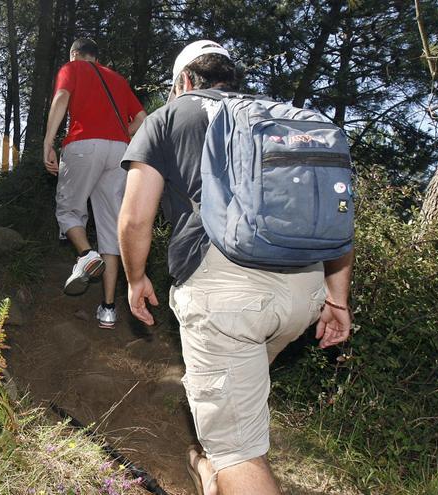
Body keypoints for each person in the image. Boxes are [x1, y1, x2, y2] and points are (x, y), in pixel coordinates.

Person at [117, 40, 354, 494]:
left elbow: (133, 217)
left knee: (239, 453)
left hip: (227, 294)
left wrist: (134, 277)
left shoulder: (171, 115)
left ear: (185, 81)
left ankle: (227, 462)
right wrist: (337, 298)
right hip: (304, 290)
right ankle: (209, 466)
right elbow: (336, 212)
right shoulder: (280, 115)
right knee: (235, 398)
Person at [43, 38, 147, 329]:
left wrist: (48, 142)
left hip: (83, 144)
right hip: (119, 152)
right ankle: (109, 308)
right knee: (111, 228)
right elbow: (141, 118)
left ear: (75, 54)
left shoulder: (72, 67)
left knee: (68, 209)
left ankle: (86, 255)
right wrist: (119, 133)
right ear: (97, 56)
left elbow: (62, 97)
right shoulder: (117, 78)